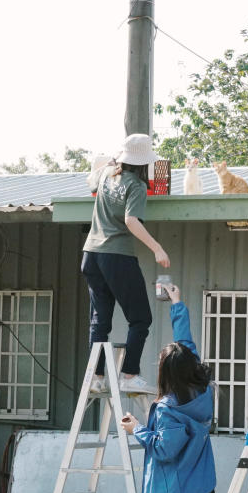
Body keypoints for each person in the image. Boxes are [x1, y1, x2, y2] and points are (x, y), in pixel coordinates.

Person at [120, 284, 216, 493]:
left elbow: (164, 450)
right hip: (202, 491)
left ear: (166, 374)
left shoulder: (168, 409)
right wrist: (177, 304)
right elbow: (186, 345)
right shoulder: (203, 394)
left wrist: (138, 430)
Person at [81, 133, 170, 393]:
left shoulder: (107, 173)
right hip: (117, 256)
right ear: (145, 162)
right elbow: (132, 221)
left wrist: (107, 164)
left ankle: (96, 378)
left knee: (100, 322)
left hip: (91, 255)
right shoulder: (137, 186)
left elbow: (90, 181)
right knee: (140, 318)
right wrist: (157, 248)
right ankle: (129, 375)